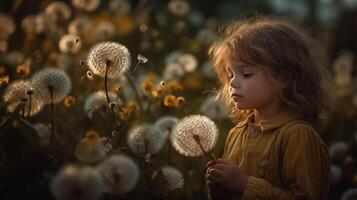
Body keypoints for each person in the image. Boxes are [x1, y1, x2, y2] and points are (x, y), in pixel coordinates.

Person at [205, 16, 332, 200]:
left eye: (246, 74)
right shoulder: (236, 133)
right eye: (230, 74)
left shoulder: (298, 137)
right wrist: (219, 189)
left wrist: (245, 185)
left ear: (283, 78)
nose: (232, 82)